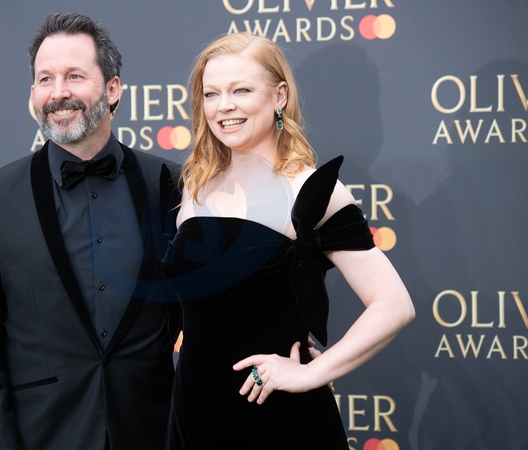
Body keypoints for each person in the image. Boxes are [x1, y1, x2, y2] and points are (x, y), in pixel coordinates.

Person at [161, 32, 415, 449]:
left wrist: (311, 373)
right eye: (211, 94)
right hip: (194, 415)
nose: (224, 106)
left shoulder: (311, 191)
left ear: (279, 95)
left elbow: (394, 305)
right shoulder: (196, 186)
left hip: (276, 418)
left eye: (241, 90)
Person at [0, 13, 182, 450]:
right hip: (44, 435)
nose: (58, 92)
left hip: (153, 431)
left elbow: (207, 308)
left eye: (74, 76)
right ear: (33, 95)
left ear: (112, 89)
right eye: (46, 79)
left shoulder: (171, 185)